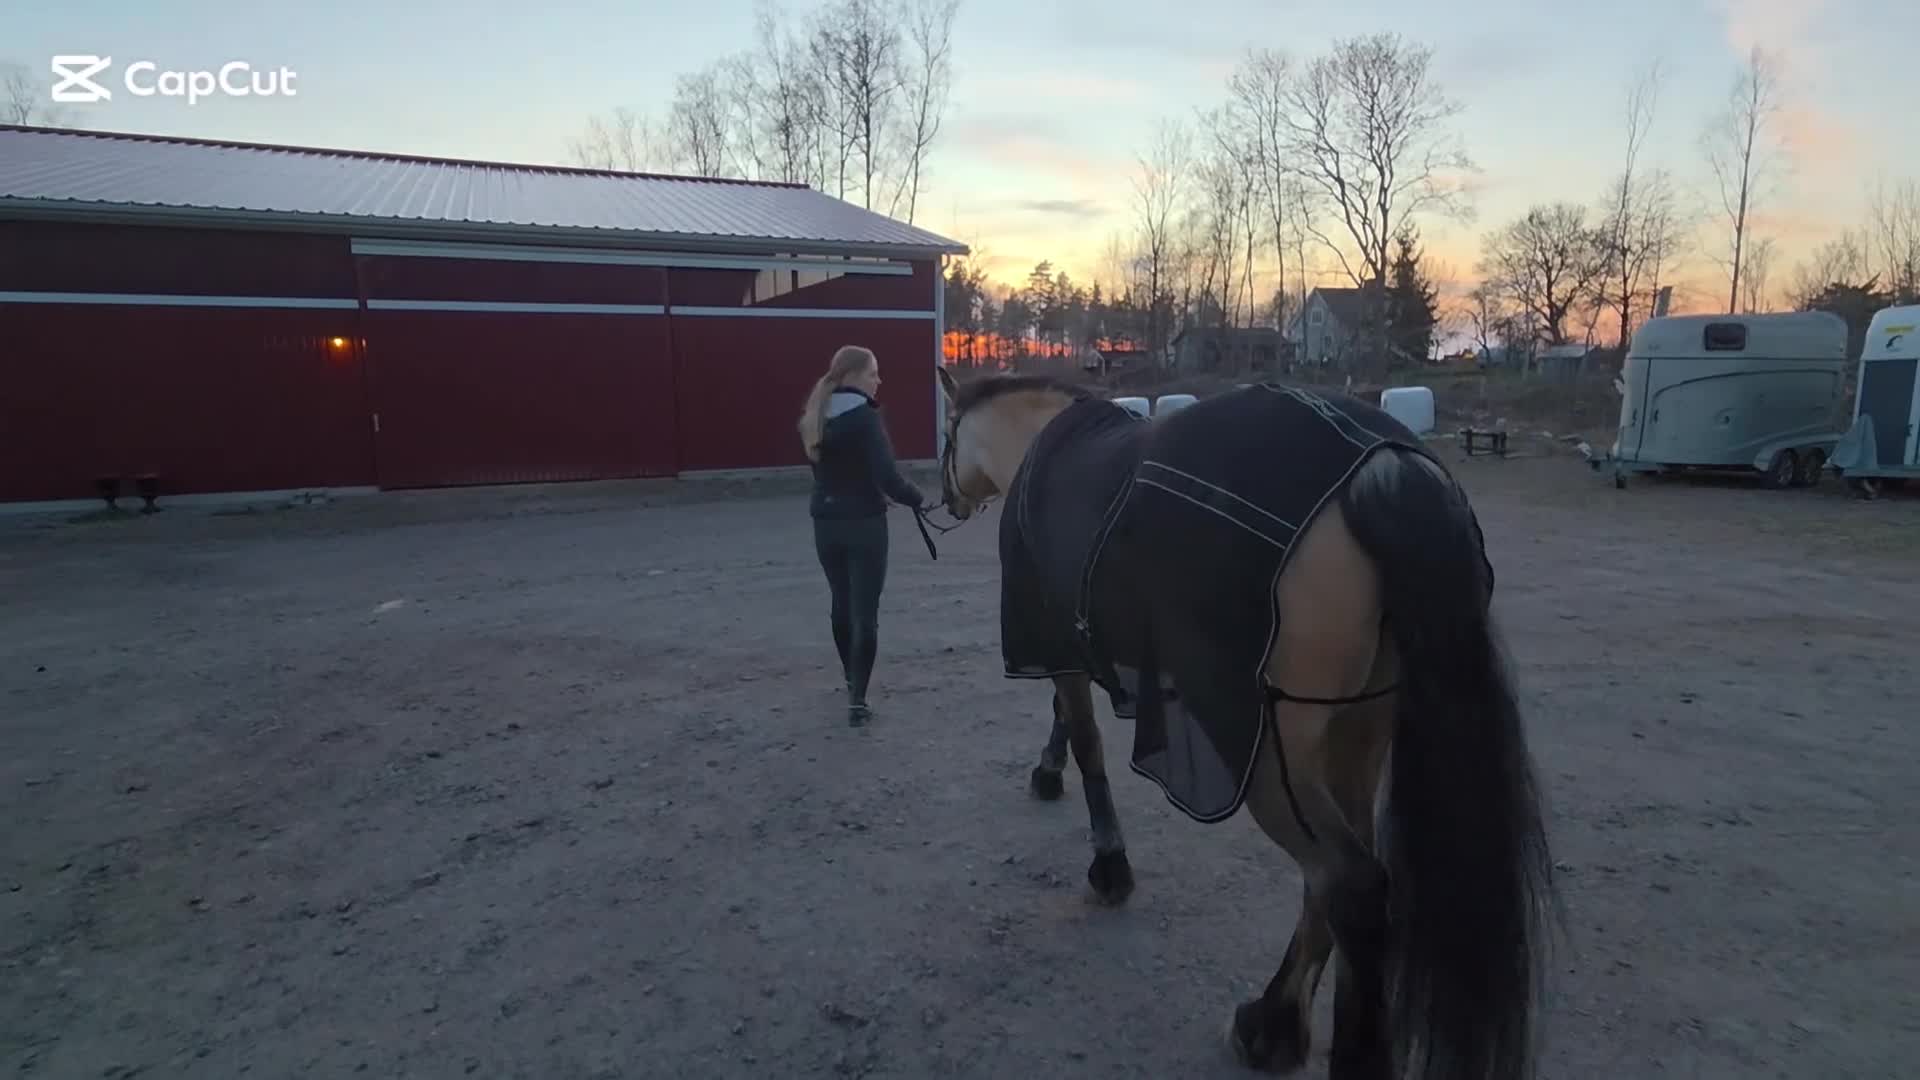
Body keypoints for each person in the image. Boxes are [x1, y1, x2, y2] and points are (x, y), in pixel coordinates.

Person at [797, 344, 927, 726]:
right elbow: (886, 477)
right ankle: (858, 699)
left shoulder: (814, 415)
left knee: (841, 603)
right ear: (854, 376)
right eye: (873, 373)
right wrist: (917, 499)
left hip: (825, 520)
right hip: (864, 524)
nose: (879, 380)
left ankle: (851, 679)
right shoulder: (865, 419)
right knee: (864, 613)